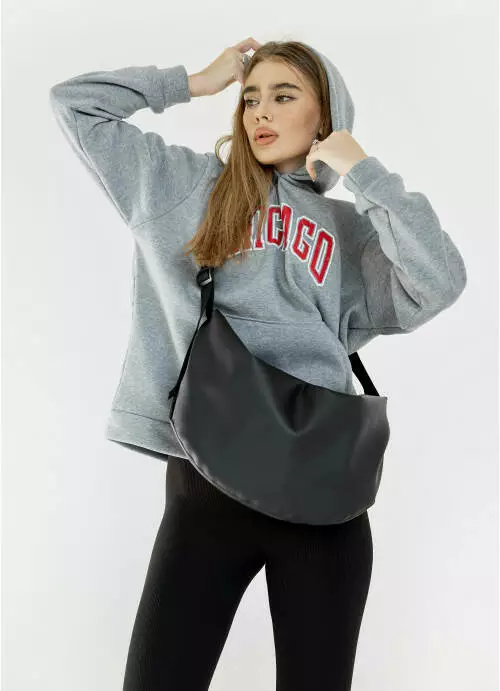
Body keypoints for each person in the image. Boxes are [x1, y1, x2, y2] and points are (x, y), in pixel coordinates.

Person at [49, 37, 467, 690]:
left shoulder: (351, 230)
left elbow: (440, 280)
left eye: (283, 95)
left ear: (325, 114)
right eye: (250, 98)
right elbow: (74, 104)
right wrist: (192, 81)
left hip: (324, 496)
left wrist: (363, 171)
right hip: (207, 483)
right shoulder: (186, 187)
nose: (260, 112)